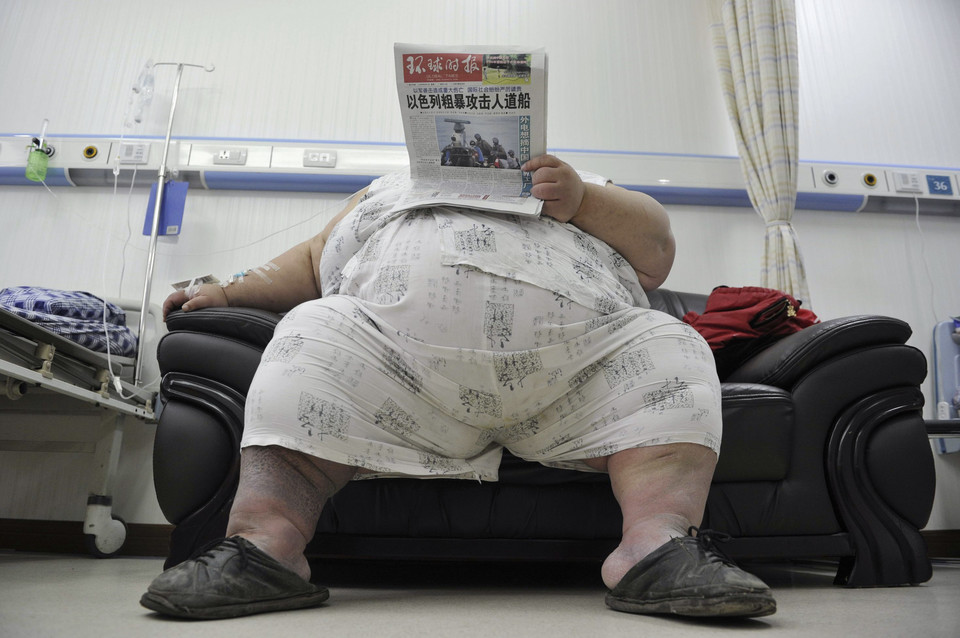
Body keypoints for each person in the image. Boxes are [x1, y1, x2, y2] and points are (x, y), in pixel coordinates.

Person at [141, 154, 776, 621]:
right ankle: (264, 547)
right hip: (393, 375)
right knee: (312, 329)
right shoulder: (387, 190)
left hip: (583, 375)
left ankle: (656, 546)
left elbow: (657, 249)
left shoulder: (576, 184)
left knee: (669, 342)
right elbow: (310, 263)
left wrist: (579, 198)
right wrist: (223, 292)